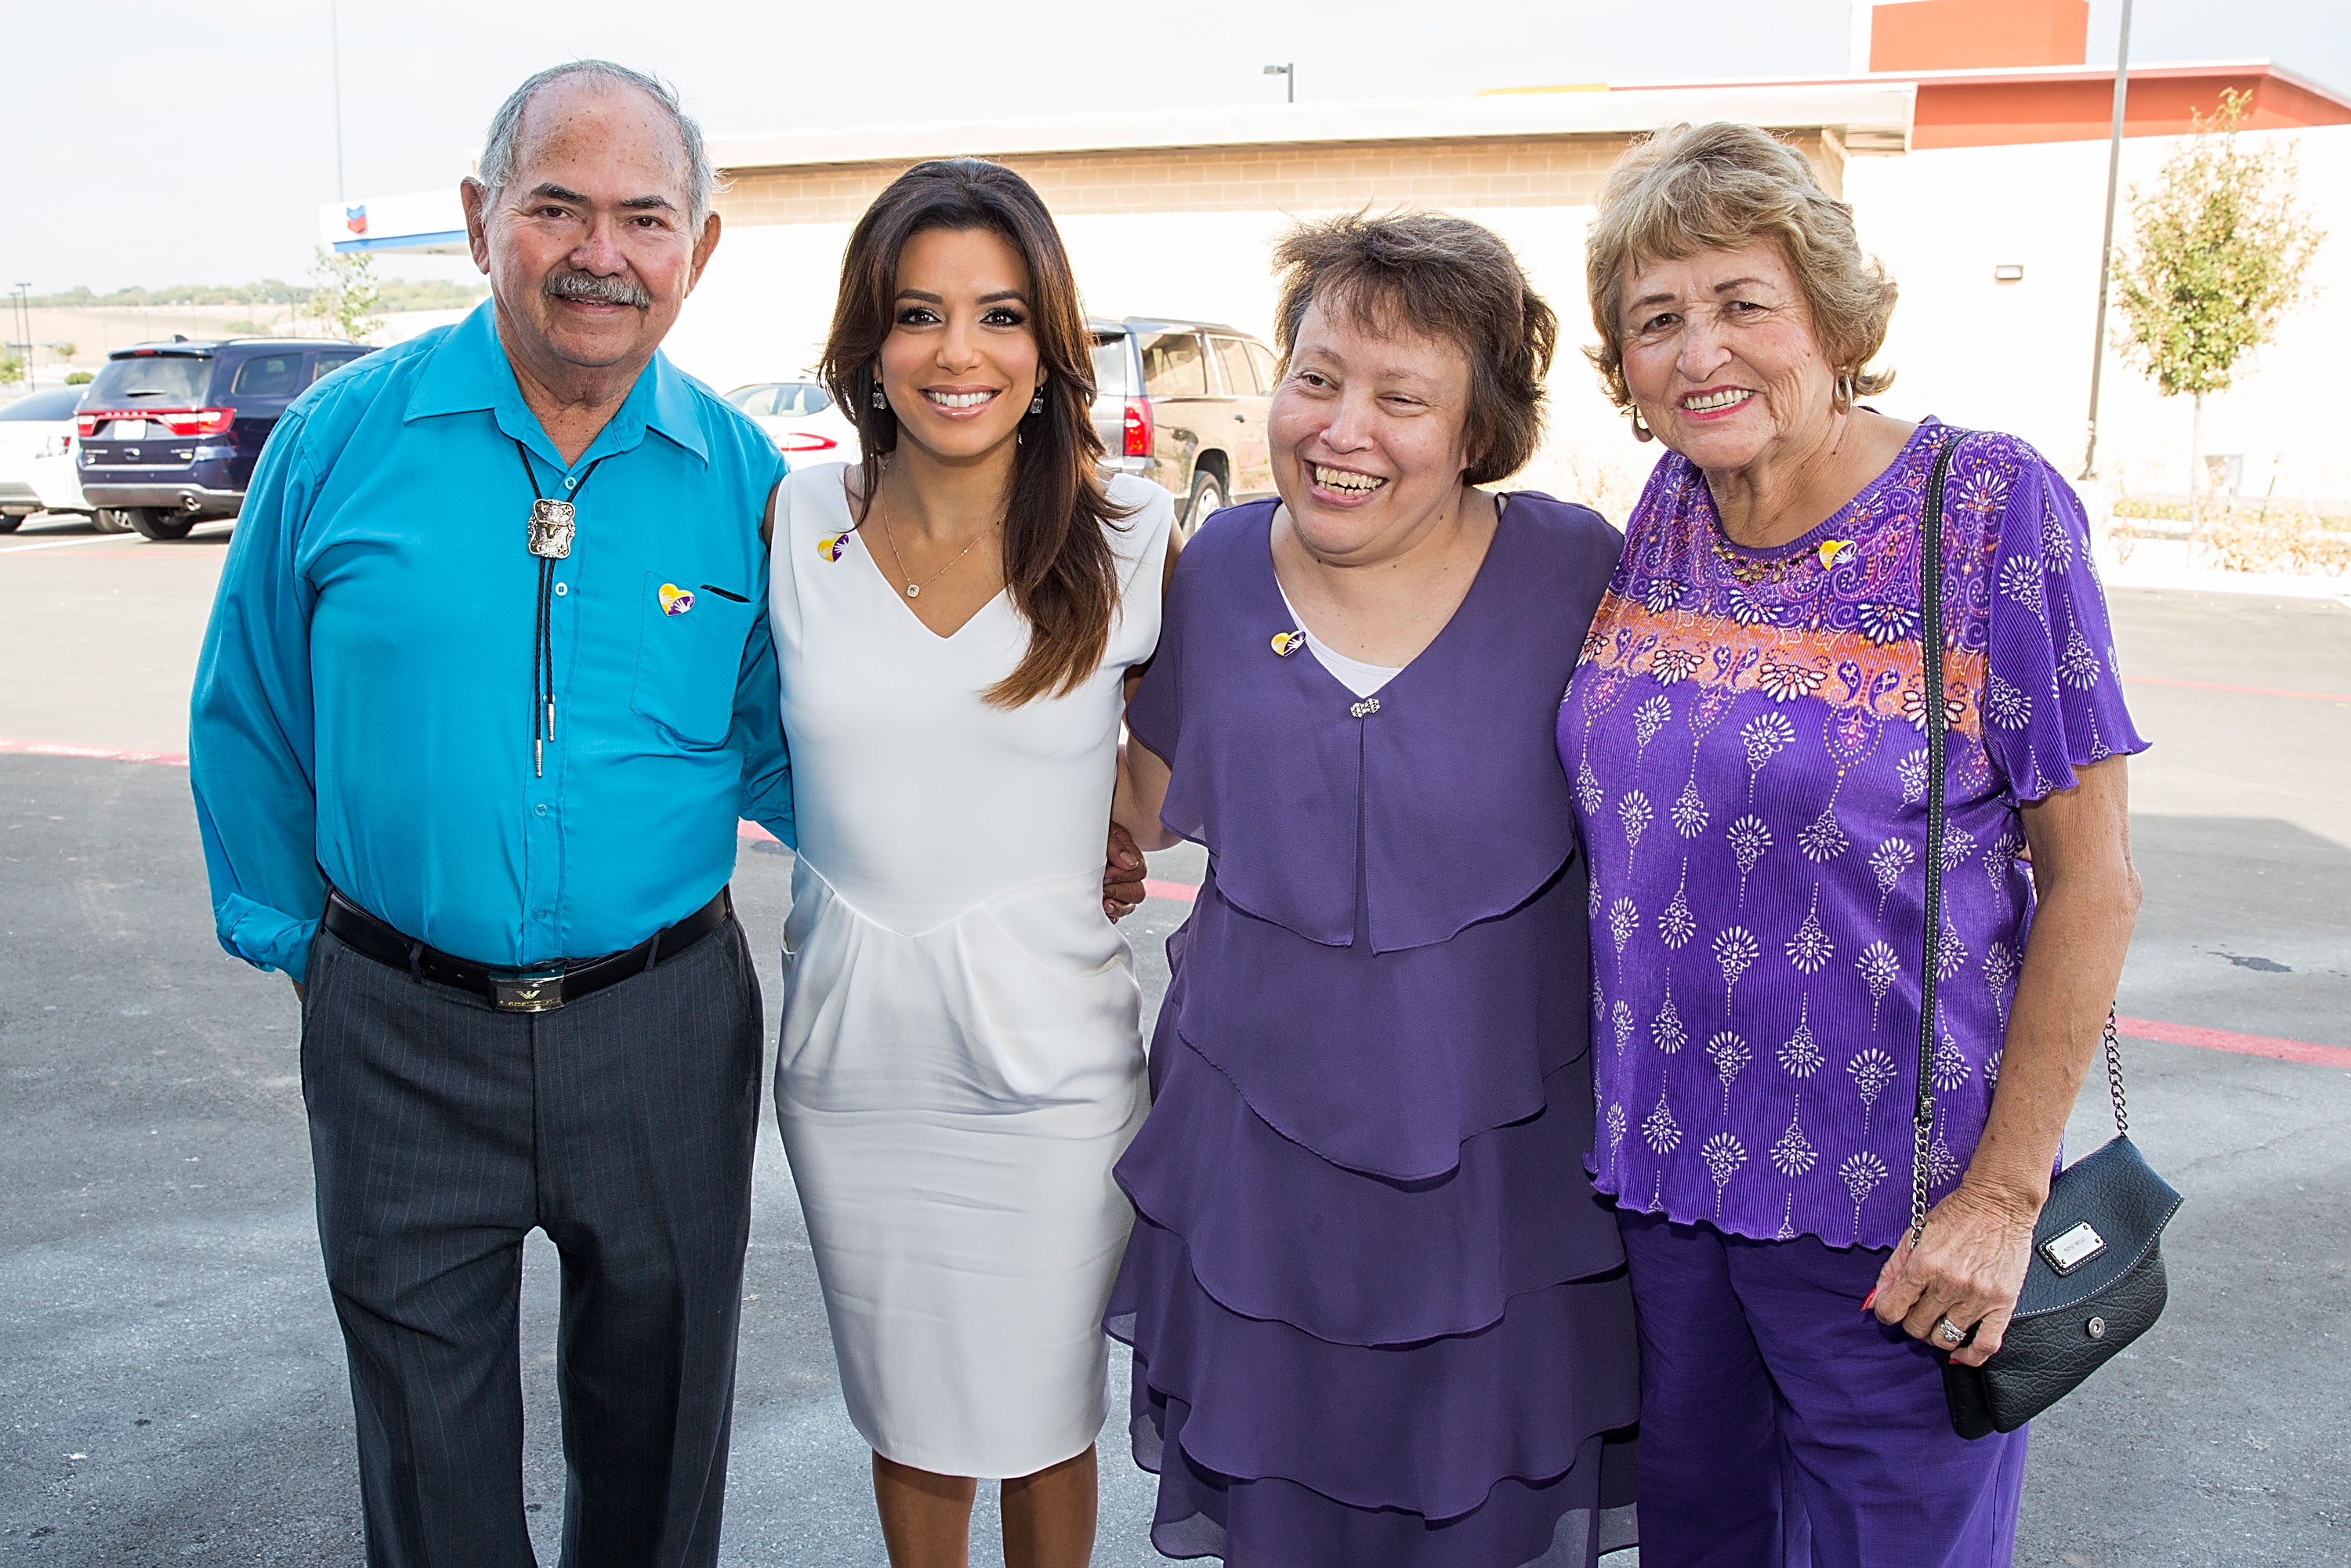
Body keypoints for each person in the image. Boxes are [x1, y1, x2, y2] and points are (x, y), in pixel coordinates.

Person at [1559, 121, 2148, 1568]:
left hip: (1895, 1217)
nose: (1702, 350)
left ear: (1829, 313)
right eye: (1657, 319)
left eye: (1742, 301)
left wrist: (2004, 1198)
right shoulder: (1668, 516)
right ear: (1623, 368)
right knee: (1704, 1548)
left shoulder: (1988, 510)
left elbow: (2093, 878)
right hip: (1669, 1184)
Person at [1107, 212, 1639, 1568]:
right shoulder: (1218, 569)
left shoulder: (1580, 570)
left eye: (1402, 397)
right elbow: (1140, 806)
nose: (1342, 428)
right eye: (1318, 377)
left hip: (1497, 1180)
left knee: (1486, 1516)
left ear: (1476, 431)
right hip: (1262, 1172)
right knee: (1284, 1505)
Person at [767, 159, 1177, 1568]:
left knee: (1043, 1399)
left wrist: (1117, 829)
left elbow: (1173, 765)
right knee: (910, 1401)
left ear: (1048, 344)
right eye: (918, 315)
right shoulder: (788, 524)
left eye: (1001, 316)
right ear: (867, 348)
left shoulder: (1130, 533)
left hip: (1052, 1065)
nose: (960, 353)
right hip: (851, 1055)